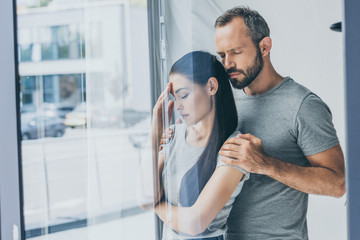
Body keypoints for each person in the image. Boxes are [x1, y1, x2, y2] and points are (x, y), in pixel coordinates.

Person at [161, 6, 345, 240]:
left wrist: (266, 164)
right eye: (222, 55)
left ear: (264, 47)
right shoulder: (222, 98)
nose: (227, 64)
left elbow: (338, 183)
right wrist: (175, 135)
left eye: (235, 52)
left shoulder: (303, 106)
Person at [151, 51, 249, 240]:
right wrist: (154, 133)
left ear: (211, 86)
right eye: (174, 97)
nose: (177, 106)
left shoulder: (234, 148)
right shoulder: (173, 135)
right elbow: (145, 193)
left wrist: (156, 204)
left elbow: (194, 224)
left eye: (184, 95)